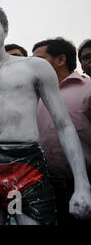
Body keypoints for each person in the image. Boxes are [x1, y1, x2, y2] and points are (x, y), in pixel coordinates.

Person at [0, 4, 91, 225]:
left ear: (5, 30)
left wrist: (82, 184)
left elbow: (64, 125)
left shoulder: (35, 67)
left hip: (28, 164)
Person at [33, 37, 91, 225]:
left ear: (60, 60)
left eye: (39, 59)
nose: (32, 65)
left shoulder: (88, 89)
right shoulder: (35, 98)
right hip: (45, 189)